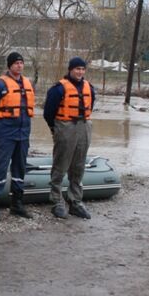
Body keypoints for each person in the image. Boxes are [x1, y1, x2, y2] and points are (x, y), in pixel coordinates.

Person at [0, 51, 34, 220]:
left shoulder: (27, 83)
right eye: (16, 63)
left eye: (21, 63)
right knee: (0, 168)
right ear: (9, 65)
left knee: (20, 168)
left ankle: (17, 204)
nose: (19, 65)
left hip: (23, 133)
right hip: (6, 133)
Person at [43, 56, 95, 219]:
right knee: (60, 165)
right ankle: (57, 202)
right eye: (76, 69)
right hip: (65, 127)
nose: (80, 72)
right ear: (70, 70)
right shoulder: (58, 89)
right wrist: (56, 128)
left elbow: (90, 105)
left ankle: (75, 202)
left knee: (78, 167)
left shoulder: (89, 88)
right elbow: (48, 112)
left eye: (82, 69)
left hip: (84, 126)